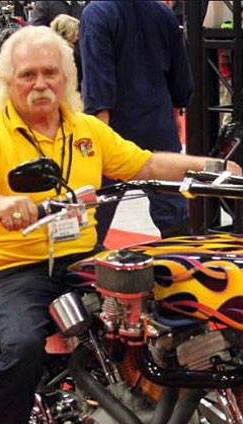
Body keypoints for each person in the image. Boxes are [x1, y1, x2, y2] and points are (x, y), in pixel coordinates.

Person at [0, 25, 240, 424]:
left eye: (50, 73)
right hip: (13, 266)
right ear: (7, 81)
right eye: (27, 75)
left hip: (80, 258)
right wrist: (0, 204)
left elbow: (144, 163)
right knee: (21, 347)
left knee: (168, 309)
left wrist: (209, 165)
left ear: (67, 78)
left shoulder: (85, 130)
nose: (40, 84)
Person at [79, 0, 194, 245]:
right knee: (173, 213)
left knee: (97, 209)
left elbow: (98, 81)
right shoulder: (162, 13)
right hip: (158, 121)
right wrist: (175, 113)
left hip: (113, 128)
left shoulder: (97, 13)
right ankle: (184, 260)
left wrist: (97, 136)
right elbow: (181, 74)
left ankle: (85, 259)